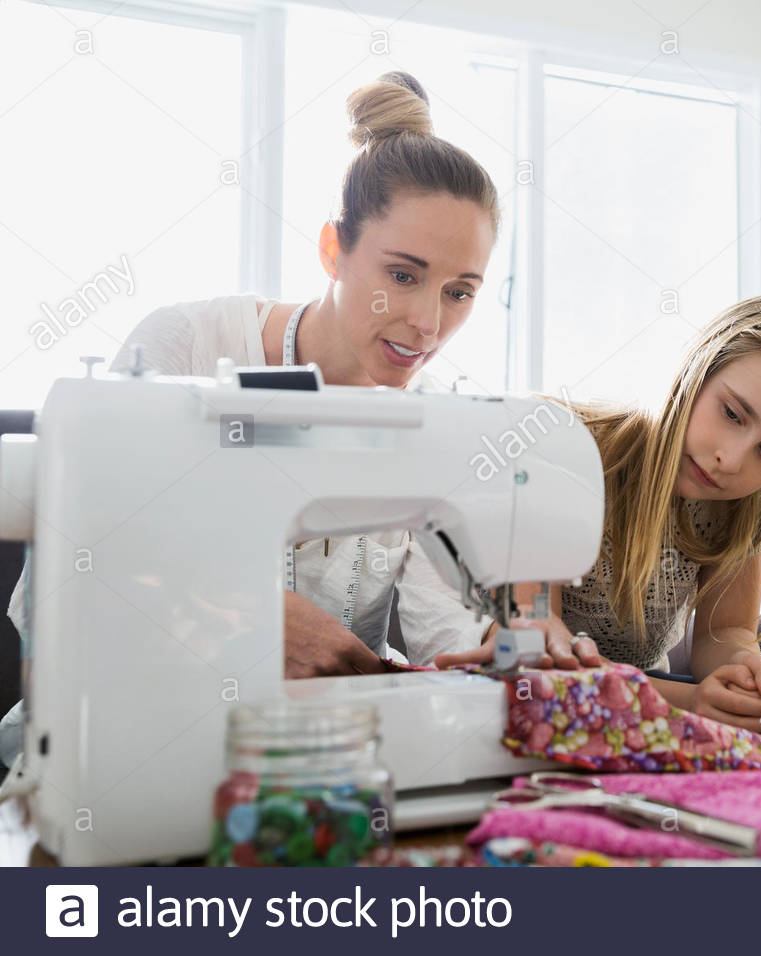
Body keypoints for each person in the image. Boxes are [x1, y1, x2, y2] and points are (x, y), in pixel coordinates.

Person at [0, 70, 504, 770]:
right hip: (115, 749)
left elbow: (440, 627)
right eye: (401, 275)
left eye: (458, 291)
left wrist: (506, 657)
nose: (427, 322)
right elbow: (58, 592)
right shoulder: (182, 348)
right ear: (334, 249)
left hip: (310, 772)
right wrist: (251, 618)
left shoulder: (429, 427)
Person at [438, 294, 761, 732]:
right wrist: (691, 701)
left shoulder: (738, 509)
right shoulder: (567, 453)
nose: (731, 460)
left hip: (628, 682)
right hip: (500, 662)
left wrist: (740, 672)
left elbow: (725, 633)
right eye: (732, 413)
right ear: (697, 371)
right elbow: (541, 656)